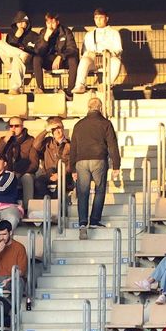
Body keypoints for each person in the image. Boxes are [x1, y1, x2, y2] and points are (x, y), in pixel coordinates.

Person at [70, 95, 119, 235]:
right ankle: (95, 220)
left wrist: (72, 167)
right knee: (99, 190)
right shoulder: (105, 124)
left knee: (83, 192)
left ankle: (82, 223)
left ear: (88, 108)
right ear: (100, 108)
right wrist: (116, 165)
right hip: (98, 160)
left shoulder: (78, 125)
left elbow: (73, 147)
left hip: (81, 161)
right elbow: (112, 145)